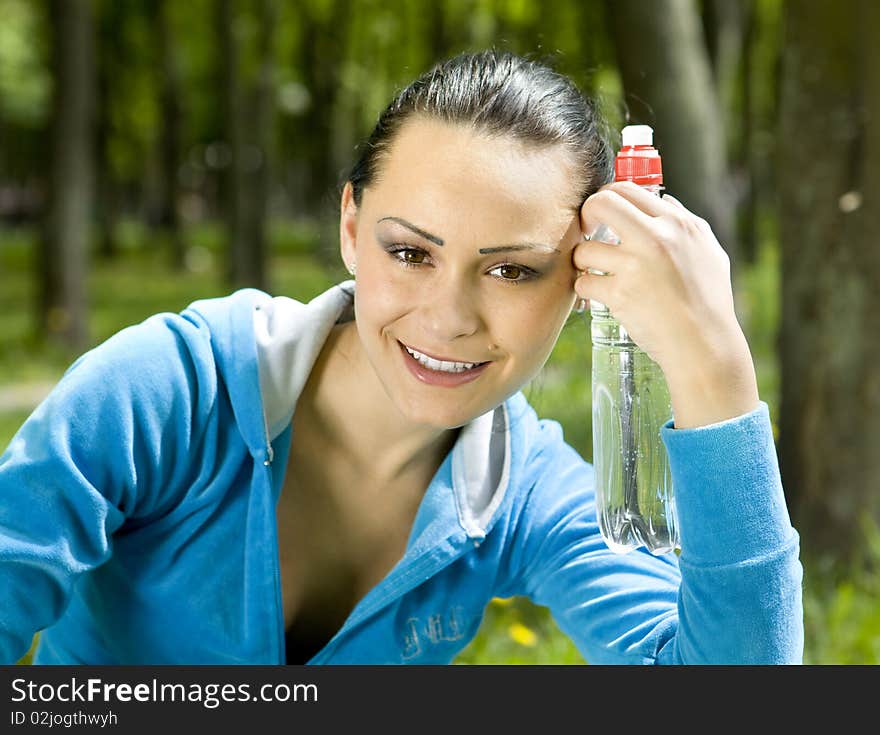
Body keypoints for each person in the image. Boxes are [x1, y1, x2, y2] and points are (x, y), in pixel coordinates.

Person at [0, 49, 802, 665]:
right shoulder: (165, 394)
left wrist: (717, 369)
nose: (448, 318)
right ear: (352, 229)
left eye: (511, 269)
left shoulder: (527, 493)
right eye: (411, 252)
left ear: (584, 282)